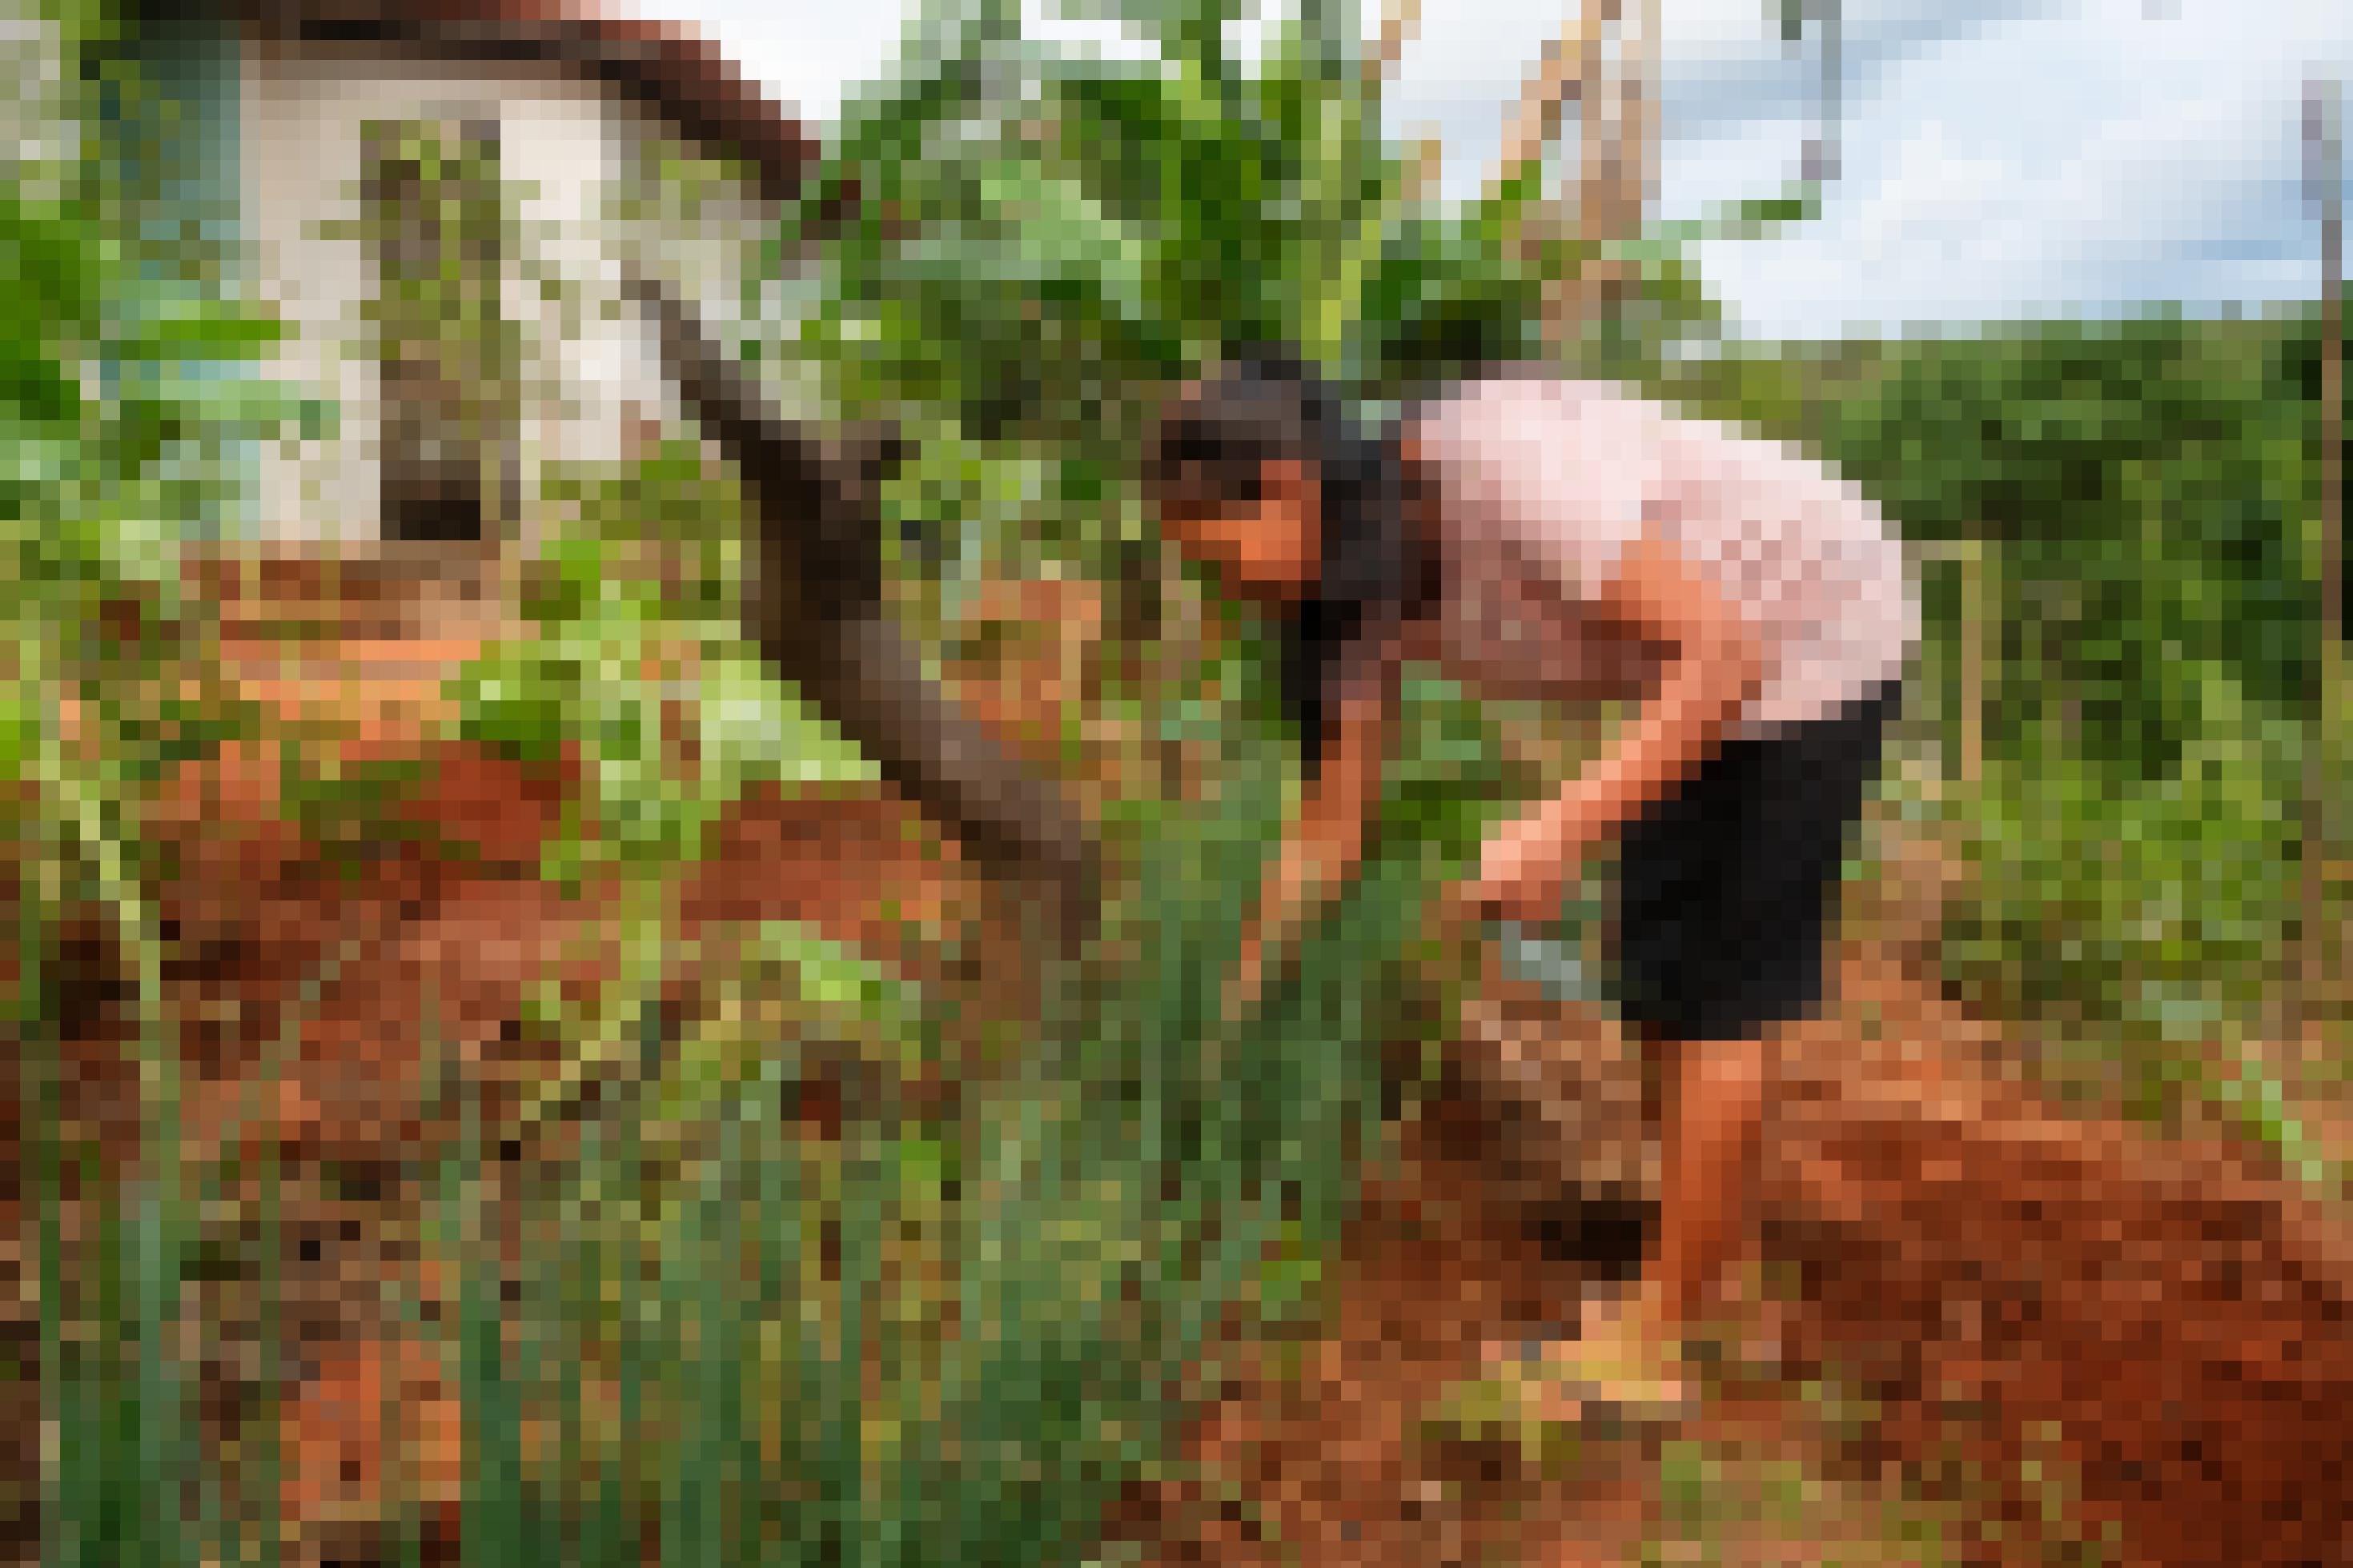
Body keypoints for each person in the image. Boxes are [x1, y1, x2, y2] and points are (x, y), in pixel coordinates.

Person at [1142, 349, 1920, 1424]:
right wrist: (1235, 1006)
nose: (1225, 590)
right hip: (1693, 672)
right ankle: (1707, 1281)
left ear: (1285, 485)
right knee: (1656, 975)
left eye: (1222, 558)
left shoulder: (1501, 464)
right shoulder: (1345, 599)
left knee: (1717, 1000)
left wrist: (1557, 827)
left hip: (1810, 622)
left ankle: (1651, 1350)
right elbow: (1327, 833)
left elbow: (1726, 654)